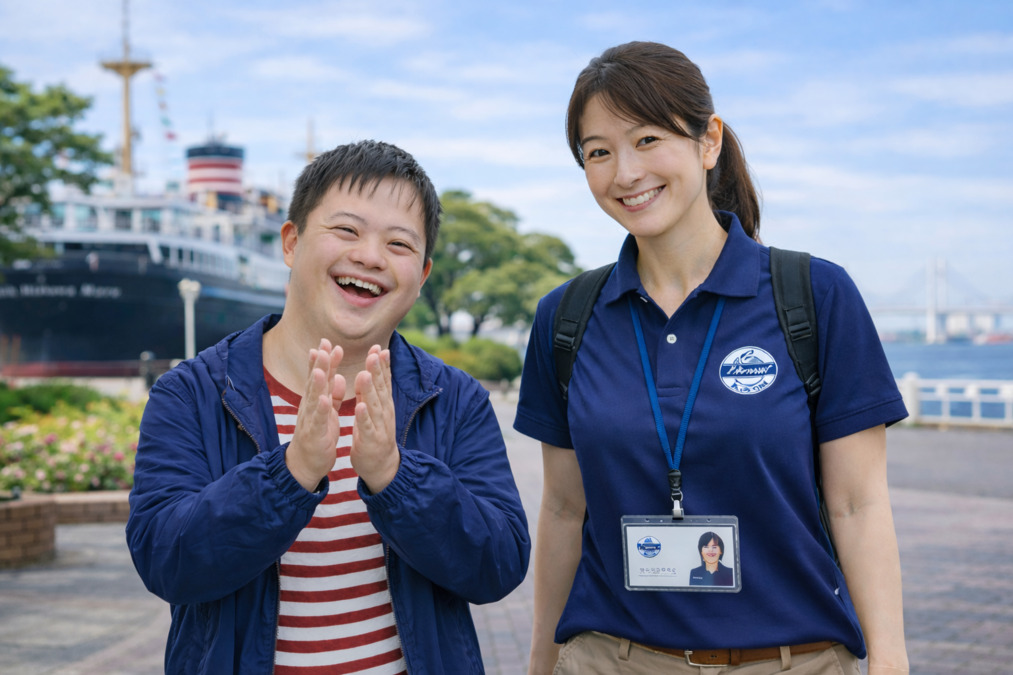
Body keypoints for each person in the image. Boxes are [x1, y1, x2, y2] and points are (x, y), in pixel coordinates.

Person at [514, 42, 909, 674]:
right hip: (609, 659)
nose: (624, 172)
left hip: (792, 660)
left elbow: (858, 505)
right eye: (598, 152)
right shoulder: (565, 318)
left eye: (647, 139)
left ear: (708, 141)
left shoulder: (814, 296)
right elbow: (564, 510)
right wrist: (540, 663)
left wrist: (891, 662)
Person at [126, 140, 530, 674]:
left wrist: (394, 476)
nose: (369, 256)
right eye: (346, 230)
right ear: (291, 241)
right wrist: (290, 475)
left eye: (399, 244)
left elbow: (498, 566)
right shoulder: (191, 393)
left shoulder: (454, 399)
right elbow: (166, 562)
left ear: (423, 275)